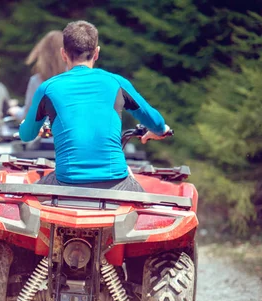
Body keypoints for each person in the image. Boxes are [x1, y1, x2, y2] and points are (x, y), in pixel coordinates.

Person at [19, 21, 171, 192]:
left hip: (66, 183)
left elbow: (26, 135)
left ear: (63, 54)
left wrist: (26, 124)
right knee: (143, 205)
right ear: (97, 52)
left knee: (32, 193)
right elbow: (156, 122)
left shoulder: (47, 88)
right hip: (118, 185)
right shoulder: (117, 83)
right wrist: (160, 130)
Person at [10, 30, 65, 120]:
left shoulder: (36, 81)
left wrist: (15, 111)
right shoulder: (76, 79)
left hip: (45, 133)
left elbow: (28, 115)